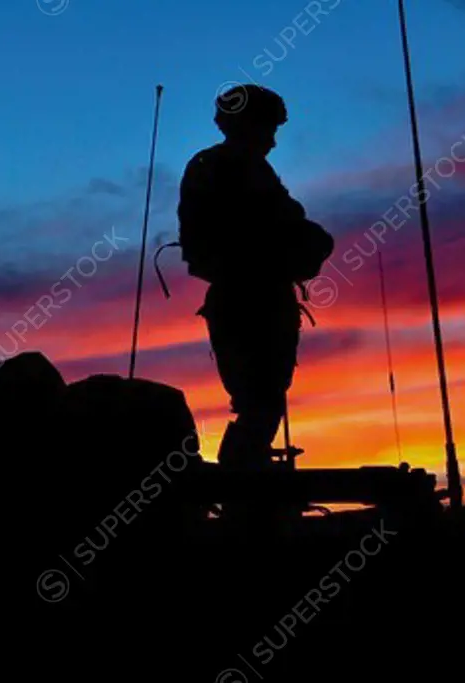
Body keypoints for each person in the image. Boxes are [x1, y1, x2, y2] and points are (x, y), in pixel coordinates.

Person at [177, 84, 330, 470]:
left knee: (257, 402)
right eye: (270, 130)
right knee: (262, 403)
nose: (274, 142)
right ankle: (242, 489)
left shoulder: (213, 166)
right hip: (254, 300)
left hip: (237, 299)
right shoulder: (239, 168)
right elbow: (286, 221)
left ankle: (243, 484)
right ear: (249, 124)